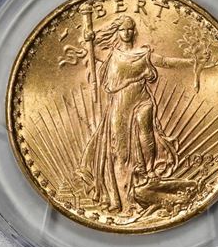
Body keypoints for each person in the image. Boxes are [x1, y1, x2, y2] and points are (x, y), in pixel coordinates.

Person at [79, 15, 194, 215]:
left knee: (146, 136)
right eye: (123, 29)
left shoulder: (143, 54)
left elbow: (165, 62)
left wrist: (191, 62)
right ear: (117, 32)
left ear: (134, 32)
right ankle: (122, 195)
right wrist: (88, 36)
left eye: (130, 29)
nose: (127, 33)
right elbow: (90, 49)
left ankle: (150, 173)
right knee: (119, 150)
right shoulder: (112, 55)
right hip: (120, 104)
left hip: (142, 100)